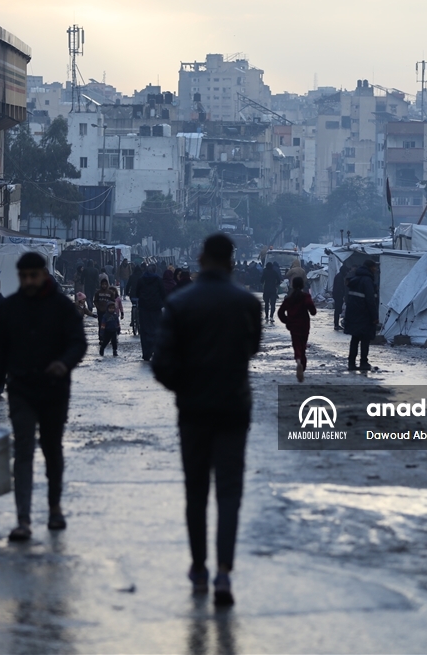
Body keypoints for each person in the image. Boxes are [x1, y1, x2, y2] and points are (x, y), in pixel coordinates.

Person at [152, 234, 262, 607]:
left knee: (196, 492)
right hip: (233, 407)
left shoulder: (180, 303)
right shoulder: (247, 303)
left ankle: (198, 569)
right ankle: (224, 574)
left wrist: (186, 387)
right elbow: (252, 349)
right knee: (229, 493)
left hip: (194, 410)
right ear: (232, 260)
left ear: (200, 258)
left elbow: (162, 363)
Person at [0, 252, 88, 541]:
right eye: (23, 276)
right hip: (22, 390)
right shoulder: (10, 308)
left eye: (33, 275)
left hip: (55, 390)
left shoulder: (62, 307)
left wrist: (64, 363)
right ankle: (23, 520)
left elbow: (79, 342)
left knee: (52, 449)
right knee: (24, 451)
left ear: (43, 274)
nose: (28, 281)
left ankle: (54, 507)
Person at [277, 276, 317, 382]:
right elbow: (313, 311)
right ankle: (302, 365)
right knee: (302, 345)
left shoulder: (289, 299)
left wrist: (287, 321)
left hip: (293, 326)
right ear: (303, 285)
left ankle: (298, 360)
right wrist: (311, 309)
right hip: (304, 325)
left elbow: (280, 312)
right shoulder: (306, 296)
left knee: (296, 345)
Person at [344, 260, 378, 371]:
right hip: (364, 315)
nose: (376, 269)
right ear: (370, 268)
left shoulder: (354, 279)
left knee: (355, 339)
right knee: (365, 339)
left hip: (353, 313)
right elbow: (370, 300)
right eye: (374, 267)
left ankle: (351, 363)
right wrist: (375, 317)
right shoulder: (367, 280)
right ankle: (363, 362)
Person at [134, 263, 166, 361]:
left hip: (144, 309)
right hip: (156, 309)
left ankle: (146, 353)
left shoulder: (141, 279)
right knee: (156, 329)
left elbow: (136, 293)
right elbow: (163, 294)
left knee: (144, 331)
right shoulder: (158, 280)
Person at [332, 265, 350, 331]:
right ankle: (336, 325)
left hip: (337, 296)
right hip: (338, 296)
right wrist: (342, 295)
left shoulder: (339, 276)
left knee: (338, 310)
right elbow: (339, 288)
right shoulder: (340, 277)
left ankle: (336, 324)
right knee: (337, 310)